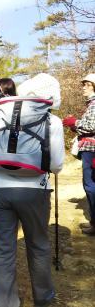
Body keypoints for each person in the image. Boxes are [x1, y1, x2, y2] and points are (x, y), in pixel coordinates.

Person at [0, 88, 65, 307]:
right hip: (34, 190)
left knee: (3, 251)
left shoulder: (2, 116)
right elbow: (56, 166)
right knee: (38, 246)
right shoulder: (52, 120)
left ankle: (4, 303)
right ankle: (44, 300)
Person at [63, 73, 95, 235]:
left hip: (91, 150)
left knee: (90, 186)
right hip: (89, 149)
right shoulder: (91, 104)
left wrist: (74, 122)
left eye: (86, 84)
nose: (83, 87)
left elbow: (91, 126)